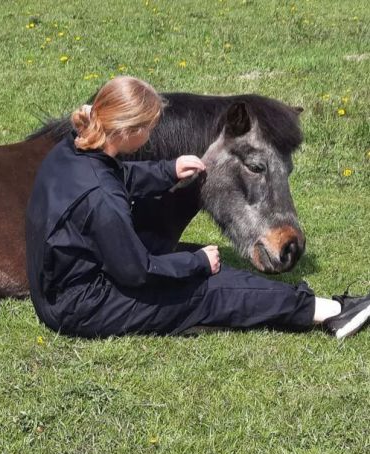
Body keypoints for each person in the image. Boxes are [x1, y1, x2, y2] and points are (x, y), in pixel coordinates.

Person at [25, 76, 370, 340]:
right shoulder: (104, 198)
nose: (151, 136)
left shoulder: (72, 151)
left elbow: (117, 176)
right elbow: (137, 272)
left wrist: (167, 170)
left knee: (205, 270)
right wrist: (197, 262)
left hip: (57, 290)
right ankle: (328, 311)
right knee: (206, 291)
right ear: (130, 130)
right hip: (85, 308)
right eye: (149, 128)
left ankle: (313, 303)